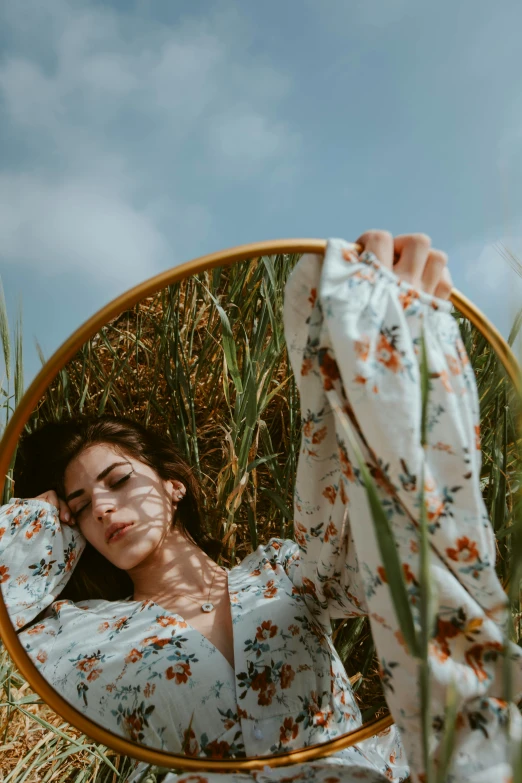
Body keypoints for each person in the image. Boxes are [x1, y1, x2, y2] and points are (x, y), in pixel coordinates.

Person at [0, 232, 520, 783]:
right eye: (79, 506)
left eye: (119, 480)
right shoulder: (74, 636)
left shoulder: (282, 572)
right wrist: (38, 520)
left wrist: (386, 355)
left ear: (174, 486)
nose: (101, 508)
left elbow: (392, 544)